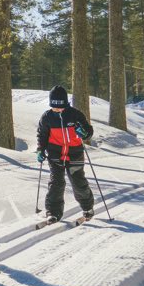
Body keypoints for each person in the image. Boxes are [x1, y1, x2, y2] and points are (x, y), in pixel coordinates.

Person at [37, 86, 94, 224]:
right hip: (55, 154)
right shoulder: (47, 117)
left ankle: (88, 208)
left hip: (75, 154)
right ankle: (53, 212)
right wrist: (40, 149)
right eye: (54, 107)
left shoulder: (75, 115)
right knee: (56, 182)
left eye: (60, 107)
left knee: (77, 181)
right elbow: (42, 135)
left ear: (65, 103)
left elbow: (88, 131)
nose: (57, 109)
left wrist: (84, 133)